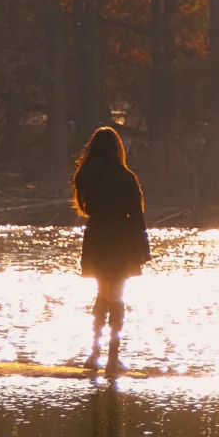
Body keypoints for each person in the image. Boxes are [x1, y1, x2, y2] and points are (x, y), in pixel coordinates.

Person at [71, 126, 151, 375]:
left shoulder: (85, 176)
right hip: (120, 239)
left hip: (96, 237)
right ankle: (112, 359)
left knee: (102, 292)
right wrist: (144, 250)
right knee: (116, 295)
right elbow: (137, 217)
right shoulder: (127, 178)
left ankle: (94, 354)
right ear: (118, 150)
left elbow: (85, 206)